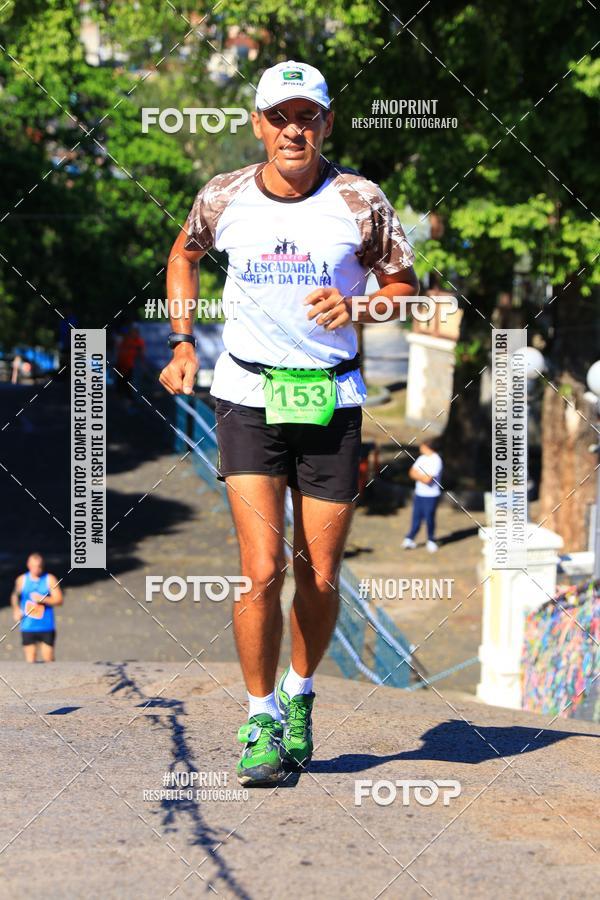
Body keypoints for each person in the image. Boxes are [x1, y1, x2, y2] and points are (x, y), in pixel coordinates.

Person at [159, 59, 419, 785]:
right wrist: (183, 341)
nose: (293, 129)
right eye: (280, 116)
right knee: (261, 571)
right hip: (248, 394)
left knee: (321, 572)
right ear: (258, 123)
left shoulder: (361, 200)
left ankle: (301, 695)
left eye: (307, 116)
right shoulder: (225, 196)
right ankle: (260, 717)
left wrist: (361, 306)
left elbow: (404, 282)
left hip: (332, 399)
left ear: (327, 123)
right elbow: (182, 257)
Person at [11, 553, 63, 662]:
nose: (36, 569)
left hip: (46, 625)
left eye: (39, 566)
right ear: (28, 565)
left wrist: (43, 599)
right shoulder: (22, 580)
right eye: (33, 566)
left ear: (42, 565)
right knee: (31, 661)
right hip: (28, 625)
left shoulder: (50, 579)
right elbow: (14, 596)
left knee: (48, 660)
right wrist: (16, 610)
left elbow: (59, 600)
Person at [402, 438, 443, 552]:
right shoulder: (421, 458)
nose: (420, 448)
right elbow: (411, 472)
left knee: (429, 518)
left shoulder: (436, 460)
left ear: (428, 447)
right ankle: (410, 538)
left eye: (422, 446)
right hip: (419, 493)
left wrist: (418, 475)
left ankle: (431, 540)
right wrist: (421, 476)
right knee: (416, 518)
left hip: (431, 495)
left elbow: (427, 480)